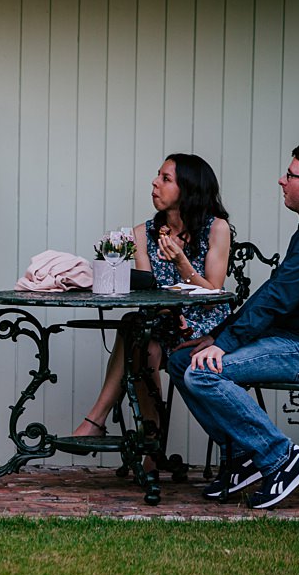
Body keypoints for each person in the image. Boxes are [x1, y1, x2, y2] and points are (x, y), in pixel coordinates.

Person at [168, 142, 299, 510]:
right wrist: (216, 336)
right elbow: (278, 293)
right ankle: (242, 458)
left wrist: (226, 342)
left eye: (291, 174)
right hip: (290, 339)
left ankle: (281, 457)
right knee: (182, 360)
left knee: (202, 373)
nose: (282, 180)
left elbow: (280, 294)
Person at [73, 154, 232, 437]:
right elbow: (150, 293)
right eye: (158, 176)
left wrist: (182, 263)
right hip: (162, 322)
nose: (155, 183)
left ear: (188, 189)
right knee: (140, 334)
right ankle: (148, 441)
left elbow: (213, 294)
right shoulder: (143, 234)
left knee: (139, 336)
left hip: (205, 328)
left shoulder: (216, 228)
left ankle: (102, 424)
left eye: (165, 178)